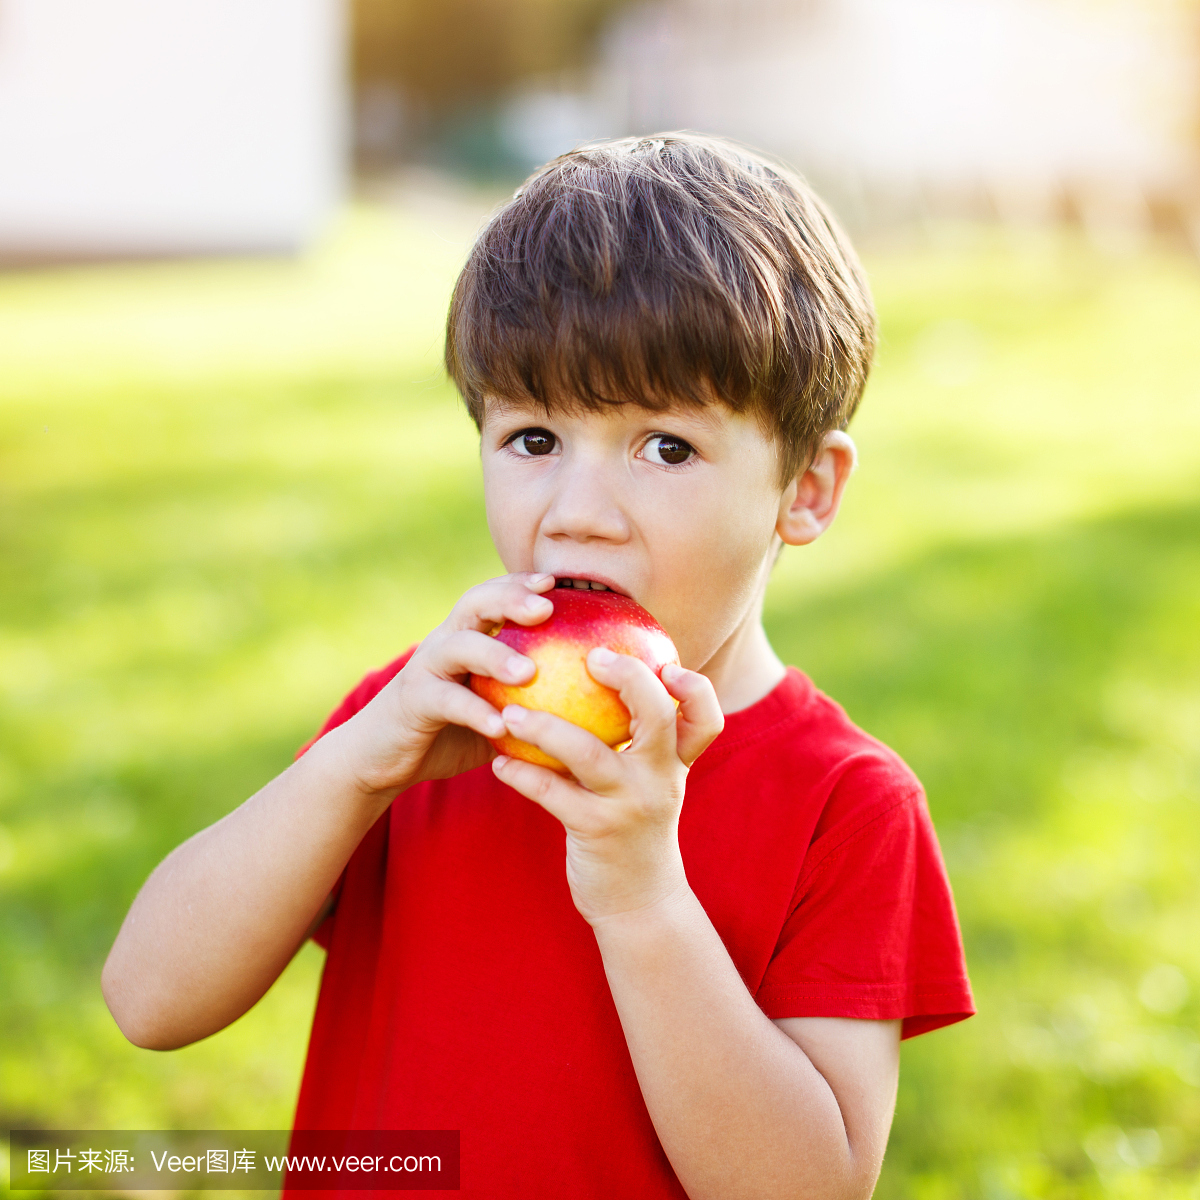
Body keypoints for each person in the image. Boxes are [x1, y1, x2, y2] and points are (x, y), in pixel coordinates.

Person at [103, 133, 973, 1200]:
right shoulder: (410, 730)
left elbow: (806, 1189)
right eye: (531, 439)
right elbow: (149, 1001)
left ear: (807, 490)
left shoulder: (845, 806)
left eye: (665, 447)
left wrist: (643, 894)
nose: (577, 516)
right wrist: (347, 771)